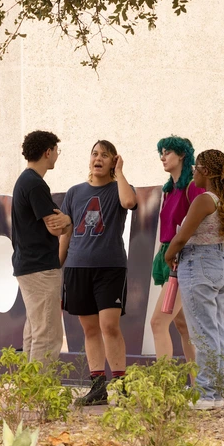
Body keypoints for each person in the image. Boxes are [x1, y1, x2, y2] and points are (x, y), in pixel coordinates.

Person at [60, 140, 138, 406]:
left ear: (114, 161)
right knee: (90, 328)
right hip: (77, 267)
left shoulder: (119, 189)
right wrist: (59, 263)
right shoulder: (74, 192)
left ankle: (121, 384)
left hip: (111, 268)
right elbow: (67, 231)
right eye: (95, 153)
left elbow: (129, 202)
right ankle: (97, 387)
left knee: (109, 326)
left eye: (105, 155)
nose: (98, 158)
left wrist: (120, 173)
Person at [165, 150, 224, 410]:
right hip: (221, 264)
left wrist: (169, 254)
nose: (194, 173)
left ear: (206, 172)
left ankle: (207, 394)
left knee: (202, 331)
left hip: (199, 264)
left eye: (197, 168)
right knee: (216, 329)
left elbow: (182, 236)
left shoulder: (203, 200)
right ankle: (215, 390)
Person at [11, 130, 72, 367]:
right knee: (48, 335)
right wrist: (68, 221)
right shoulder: (35, 184)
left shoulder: (25, 181)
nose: (57, 155)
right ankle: (39, 393)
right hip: (40, 267)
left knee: (35, 330)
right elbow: (55, 227)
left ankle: (28, 391)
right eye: (56, 150)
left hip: (28, 265)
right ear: (48, 152)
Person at [149, 136, 201, 361]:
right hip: (170, 259)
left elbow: (202, 222)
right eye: (161, 152)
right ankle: (198, 386)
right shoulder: (169, 190)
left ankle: (163, 389)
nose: (163, 157)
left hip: (183, 260)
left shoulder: (192, 187)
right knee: (182, 325)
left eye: (168, 152)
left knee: (158, 322)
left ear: (182, 155)